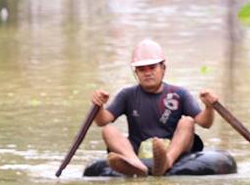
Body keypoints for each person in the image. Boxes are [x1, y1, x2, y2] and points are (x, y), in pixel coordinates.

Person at [90, 39, 219, 177]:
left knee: (187, 122)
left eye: (152, 67)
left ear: (163, 68)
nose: (147, 73)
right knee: (108, 129)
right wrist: (99, 105)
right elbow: (102, 121)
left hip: (172, 148)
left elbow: (205, 123)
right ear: (136, 72)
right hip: (138, 150)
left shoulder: (179, 93)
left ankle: (166, 162)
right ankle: (136, 165)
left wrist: (209, 107)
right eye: (142, 69)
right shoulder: (127, 95)